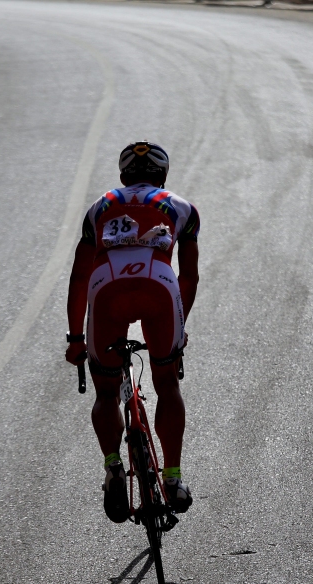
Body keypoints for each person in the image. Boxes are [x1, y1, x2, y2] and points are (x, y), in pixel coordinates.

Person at [65, 141, 200, 523]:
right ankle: (172, 478)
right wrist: (180, 326)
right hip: (160, 284)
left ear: (123, 176)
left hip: (106, 285)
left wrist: (76, 338)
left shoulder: (100, 206)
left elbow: (79, 277)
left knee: (106, 391)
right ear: (163, 175)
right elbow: (189, 276)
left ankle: (113, 468)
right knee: (166, 383)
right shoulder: (182, 207)